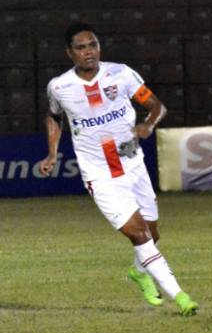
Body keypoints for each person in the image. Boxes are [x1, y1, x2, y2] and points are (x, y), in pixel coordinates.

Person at [39, 21, 198, 316]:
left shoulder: (121, 74)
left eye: (93, 45)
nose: (89, 52)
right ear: (69, 53)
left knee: (152, 233)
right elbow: (52, 115)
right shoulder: (60, 87)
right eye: (81, 47)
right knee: (139, 235)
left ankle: (139, 272)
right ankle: (180, 296)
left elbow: (157, 106)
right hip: (99, 174)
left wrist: (148, 125)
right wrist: (52, 153)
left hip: (132, 164)